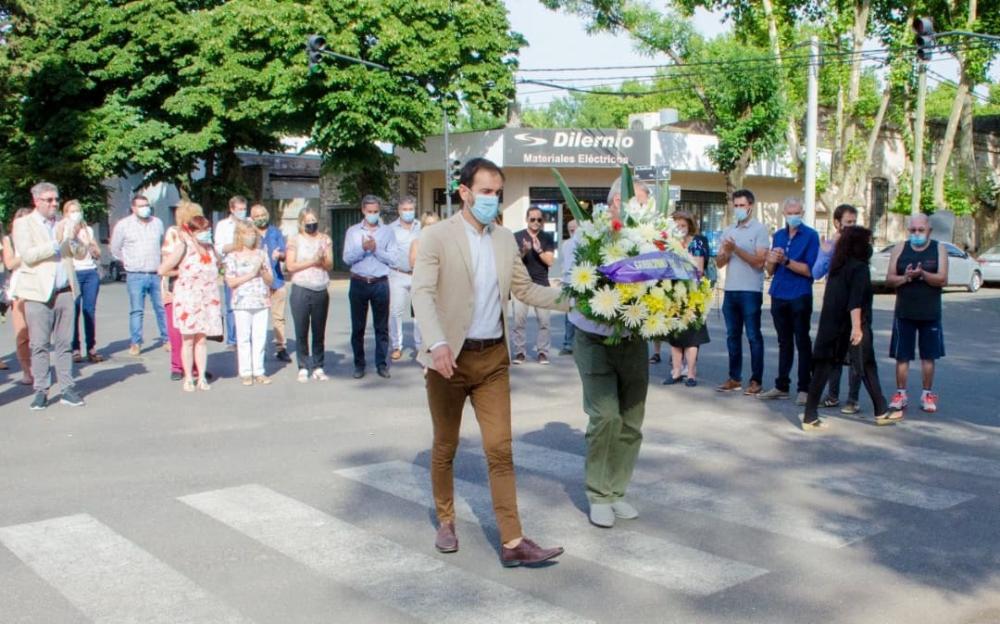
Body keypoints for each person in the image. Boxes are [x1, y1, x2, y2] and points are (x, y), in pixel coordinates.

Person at [412, 157, 567, 567]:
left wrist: (582, 296)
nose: (492, 200)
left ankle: (513, 541)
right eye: (485, 192)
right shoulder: (437, 237)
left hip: (493, 359)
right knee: (445, 445)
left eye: (497, 193)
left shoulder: (503, 241)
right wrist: (438, 343)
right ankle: (446, 520)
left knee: (500, 450)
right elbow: (422, 294)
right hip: (449, 360)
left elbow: (527, 290)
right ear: (464, 192)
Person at [563, 180, 649, 529]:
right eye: (638, 205)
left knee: (631, 420)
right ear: (617, 202)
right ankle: (598, 493)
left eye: (645, 207)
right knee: (606, 417)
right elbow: (576, 287)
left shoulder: (648, 238)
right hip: (594, 339)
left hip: (633, 338)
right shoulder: (584, 239)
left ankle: (617, 491)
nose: (642, 213)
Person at [801, 226, 894, 430]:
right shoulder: (859, 268)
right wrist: (857, 328)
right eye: (867, 242)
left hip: (831, 325)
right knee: (867, 365)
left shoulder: (837, 266)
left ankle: (810, 415)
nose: (869, 247)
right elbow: (855, 301)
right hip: (851, 325)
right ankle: (881, 410)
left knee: (823, 368)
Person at [13, 182, 89, 409]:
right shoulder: (23, 224)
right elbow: (28, 255)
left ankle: (67, 388)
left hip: (65, 290)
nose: (54, 204)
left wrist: (74, 239)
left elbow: (80, 252)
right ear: (36, 201)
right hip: (38, 292)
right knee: (39, 344)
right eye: (49, 200)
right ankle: (41, 390)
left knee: (65, 343)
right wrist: (56, 243)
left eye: (56, 199)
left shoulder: (64, 224)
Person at [759, 197, 820, 404]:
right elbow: (770, 270)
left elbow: (809, 270)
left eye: (796, 213)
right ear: (784, 214)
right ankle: (781, 385)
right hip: (779, 293)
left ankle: (805, 387)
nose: (793, 216)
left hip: (800, 294)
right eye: (789, 213)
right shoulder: (778, 235)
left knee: (802, 341)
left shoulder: (811, 236)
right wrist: (771, 260)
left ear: (802, 213)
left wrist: (786, 260)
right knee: (783, 342)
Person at [885, 213, 948, 413]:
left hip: (930, 313)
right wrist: (906, 278)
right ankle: (900, 394)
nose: (917, 234)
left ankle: (927, 394)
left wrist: (923, 274)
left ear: (929, 230)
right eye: (913, 230)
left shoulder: (939, 248)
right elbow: (889, 279)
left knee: (928, 356)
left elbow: (942, 279)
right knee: (902, 355)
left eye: (921, 230)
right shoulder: (899, 248)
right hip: (904, 311)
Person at [158, 213, 222, 392]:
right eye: (202, 230)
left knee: (201, 340)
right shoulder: (183, 246)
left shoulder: (210, 248)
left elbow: (220, 265)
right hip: (188, 298)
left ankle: (201, 376)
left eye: (208, 230)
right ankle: (188, 377)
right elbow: (163, 269)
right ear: (193, 231)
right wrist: (182, 273)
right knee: (188, 340)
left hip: (207, 299)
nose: (206, 233)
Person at [715, 189, 769, 395]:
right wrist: (727, 252)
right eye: (735, 205)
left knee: (754, 336)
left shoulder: (759, 230)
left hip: (750, 290)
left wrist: (736, 249)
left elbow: (759, 262)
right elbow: (719, 263)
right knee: (732, 336)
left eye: (741, 205)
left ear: (750, 206)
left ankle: (756, 380)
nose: (738, 209)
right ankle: (734, 377)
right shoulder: (728, 230)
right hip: (731, 289)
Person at [812, 204, 863, 413]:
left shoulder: (859, 244)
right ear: (837, 222)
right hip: (834, 306)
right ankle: (832, 395)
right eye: (847, 222)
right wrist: (826, 253)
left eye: (853, 222)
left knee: (855, 355)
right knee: (833, 355)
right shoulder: (829, 244)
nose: (851, 226)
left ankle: (853, 399)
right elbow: (816, 273)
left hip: (854, 305)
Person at [343, 195, 397, 379]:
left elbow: (393, 258)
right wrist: (363, 248)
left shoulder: (387, 232)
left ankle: (381, 364)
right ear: (363, 211)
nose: (373, 215)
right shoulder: (353, 232)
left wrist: (376, 249)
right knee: (358, 327)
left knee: (381, 327)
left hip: (379, 282)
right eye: (369, 212)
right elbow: (346, 258)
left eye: (375, 212)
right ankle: (359, 365)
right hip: (359, 282)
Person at [110, 194, 168, 356]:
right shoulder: (124, 225)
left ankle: (167, 339)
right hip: (135, 274)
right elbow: (115, 248)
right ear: (133, 208)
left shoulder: (157, 223)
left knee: (161, 308)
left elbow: (163, 244)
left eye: (146, 205)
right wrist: (126, 262)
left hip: (156, 272)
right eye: (141, 206)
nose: (145, 208)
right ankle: (136, 342)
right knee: (137, 310)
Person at [161, 201, 209, 382]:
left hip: (198, 289)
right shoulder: (174, 233)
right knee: (177, 329)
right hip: (176, 286)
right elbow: (167, 261)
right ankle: (177, 366)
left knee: (197, 330)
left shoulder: (201, 238)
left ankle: (197, 367)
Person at [663, 211, 710, 387]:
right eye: (677, 225)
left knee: (692, 336)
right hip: (673, 292)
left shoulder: (697, 241)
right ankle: (676, 371)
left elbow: (698, 270)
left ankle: (690, 373)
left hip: (692, 292)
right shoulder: (668, 243)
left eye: (683, 225)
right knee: (675, 336)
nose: (680, 229)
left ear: (689, 225)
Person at [285, 208, 332, 383]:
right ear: (301, 222)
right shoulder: (294, 240)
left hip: (320, 288)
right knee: (301, 329)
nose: (311, 223)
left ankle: (318, 365)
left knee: (319, 330)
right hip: (301, 288)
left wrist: (322, 259)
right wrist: (313, 260)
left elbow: (329, 264)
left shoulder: (325, 239)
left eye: (314, 219)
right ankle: (303, 365)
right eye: (308, 220)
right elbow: (291, 266)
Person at [224, 221, 274, 386]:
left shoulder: (261, 254)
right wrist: (251, 274)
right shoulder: (233, 256)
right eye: (247, 233)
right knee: (243, 338)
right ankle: (245, 372)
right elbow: (230, 282)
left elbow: (270, 280)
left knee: (260, 337)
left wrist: (262, 272)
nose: (250, 237)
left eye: (253, 234)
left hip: (261, 300)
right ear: (240, 235)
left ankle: (259, 370)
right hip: (242, 301)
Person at [511, 207, 556, 365]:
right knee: (518, 322)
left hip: (541, 284)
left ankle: (542, 352)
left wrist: (539, 250)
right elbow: (512, 261)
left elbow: (550, 261)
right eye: (532, 219)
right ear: (527, 219)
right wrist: (523, 251)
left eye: (539, 219)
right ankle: (520, 352)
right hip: (521, 285)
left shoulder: (547, 237)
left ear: (542, 221)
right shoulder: (517, 236)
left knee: (544, 322)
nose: (536, 222)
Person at [61, 200, 104, 364]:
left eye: (78, 211)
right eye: (72, 211)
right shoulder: (64, 231)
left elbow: (97, 251)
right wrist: (72, 235)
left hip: (90, 272)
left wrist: (93, 248)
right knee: (74, 311)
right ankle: (75, 348)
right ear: (66, 214)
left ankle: (91, 347)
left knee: (89, 311)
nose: (76, 214)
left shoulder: (88, 230)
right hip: (74, 273)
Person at [249, 204, 290, 363]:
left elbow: (285, 253)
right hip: (256, 283)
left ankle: (281, 348)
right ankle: (258, 349)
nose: (260, 218)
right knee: (258, 318)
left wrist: (280, 255)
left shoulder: (275, 232)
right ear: (252, 218)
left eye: (262, 215)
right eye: (256, 216)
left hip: (276, 280)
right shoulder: (249, 233)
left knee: (278, 317)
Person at [387, 196, 422, 361]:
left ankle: (420, 346)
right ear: (399, 211)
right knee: (396, 311)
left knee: (420, 312)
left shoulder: (420, 227)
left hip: (417, 274)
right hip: (398, 274)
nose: (408, 212)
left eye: (410, 209)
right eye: (405, 209)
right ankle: (396, 346)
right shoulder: (390, 229)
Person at [3, 208, 34, 384]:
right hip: (19, 289)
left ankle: (39, 369)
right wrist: (29, 256)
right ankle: (26, 371)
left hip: (39, 287)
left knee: (39, 334)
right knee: (23, 333)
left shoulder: (39, 239)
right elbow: (9, 263)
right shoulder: (9, 240)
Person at [214, 195, 248, 350]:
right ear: (232, 209)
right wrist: (237, 244)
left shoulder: (250, 223)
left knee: (248, 304)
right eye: (239, 209)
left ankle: (246, 337)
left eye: (244, 209)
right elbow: (219, 248)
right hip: (231, 268)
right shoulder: (223, 225)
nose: (242, 212)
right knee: (231, 305)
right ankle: (233, 340)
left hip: (248, 268)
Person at [557, 218, 579, 356]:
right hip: (567, 281)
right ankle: (568, 344)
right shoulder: (566, 244)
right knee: (569, 313)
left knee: (579, 313)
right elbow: (563, 263)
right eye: (569, 227)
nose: (571, 229)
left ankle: (575, 344)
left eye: (574, 227)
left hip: (579, 281)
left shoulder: (582, 242)